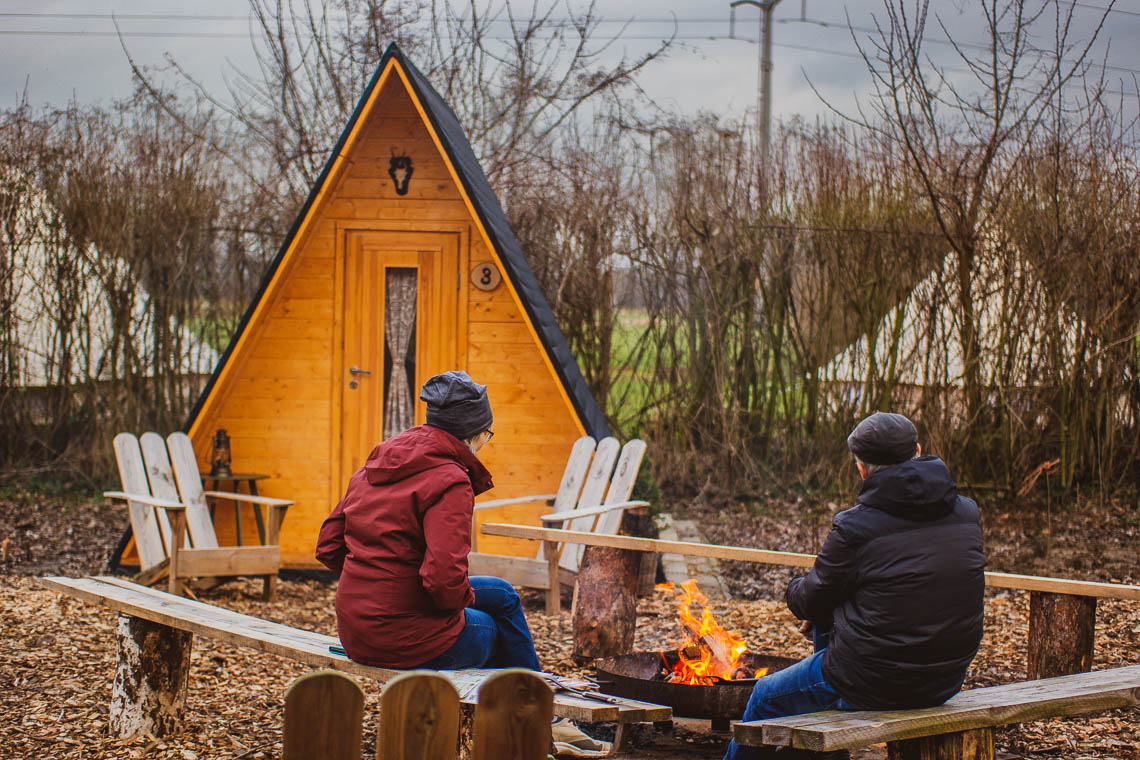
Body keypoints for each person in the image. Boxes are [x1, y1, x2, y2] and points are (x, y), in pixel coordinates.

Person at [316, 370, 610, 758]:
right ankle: (540, 726)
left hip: (355, 627)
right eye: (487, 436)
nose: (485, 445)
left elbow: (329, 545)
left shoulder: (376, 464)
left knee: (503, 595)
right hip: (403, 639)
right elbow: (442, 584)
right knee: (497, 631)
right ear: (472, 434)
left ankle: (543, 722)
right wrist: (428, 594)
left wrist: (376, 578)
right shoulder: (449, 480)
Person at [723, 412, 987, 760]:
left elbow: (809, 598)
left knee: (764, 697)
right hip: (945, 678)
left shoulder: (856, 527)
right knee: (833, 607)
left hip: (874, 681)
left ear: (862, 469)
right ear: (919, 450)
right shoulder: (968, 513)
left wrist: (794, 588)